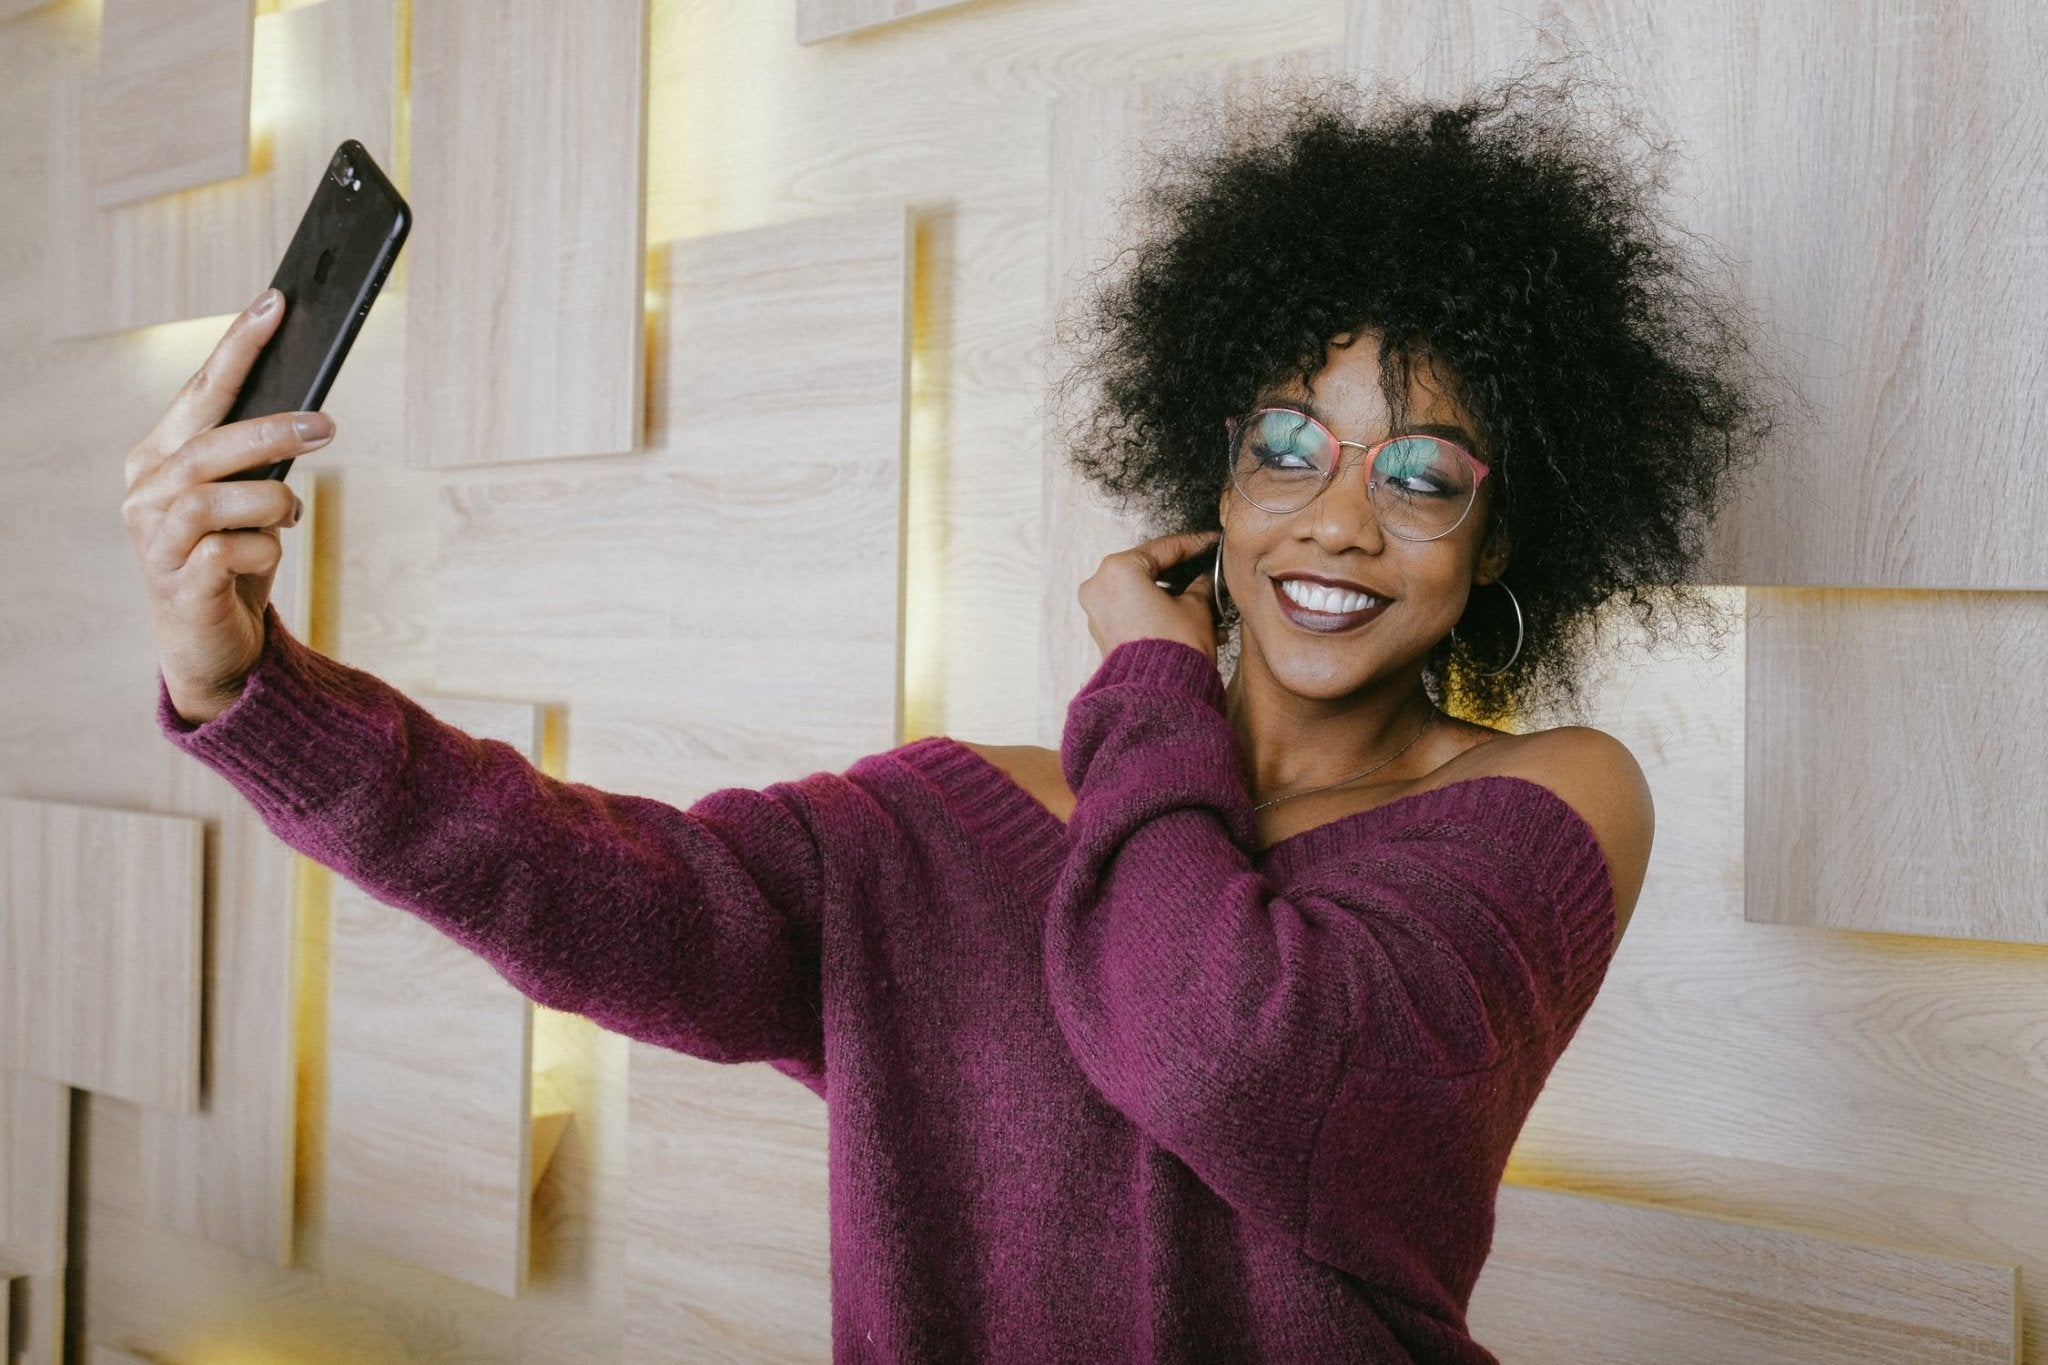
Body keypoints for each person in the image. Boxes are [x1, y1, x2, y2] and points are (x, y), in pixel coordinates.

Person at [123, 73, 1768, 1365]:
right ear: (1215, 477)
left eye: (1422, 476)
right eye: (1289, 444)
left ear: (1500, 545)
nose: (1336, 521)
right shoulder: (935, 822)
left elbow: (1219, 1038)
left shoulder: (1545, 810)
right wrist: (245, 677)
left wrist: (1143, 677)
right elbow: (574, 882)